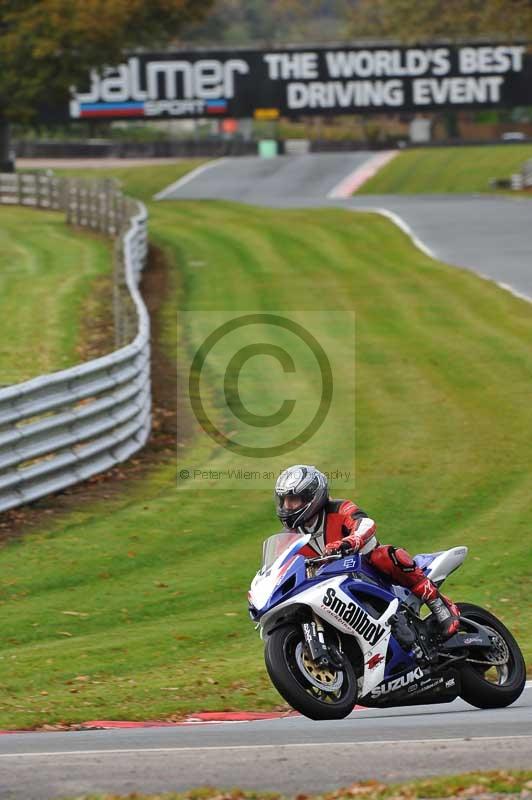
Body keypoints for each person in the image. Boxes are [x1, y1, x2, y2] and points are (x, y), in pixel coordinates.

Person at [274, 464, 460, 639]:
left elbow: (365, 523)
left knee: (385, 555)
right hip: (329, 589)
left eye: (293, 500)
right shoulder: (290, 539)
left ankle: (439, 604)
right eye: (284, 501)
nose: (287, 507)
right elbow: (280, 569)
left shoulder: (340, 509)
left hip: (366, 573)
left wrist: (349, 541)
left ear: (311, 497)